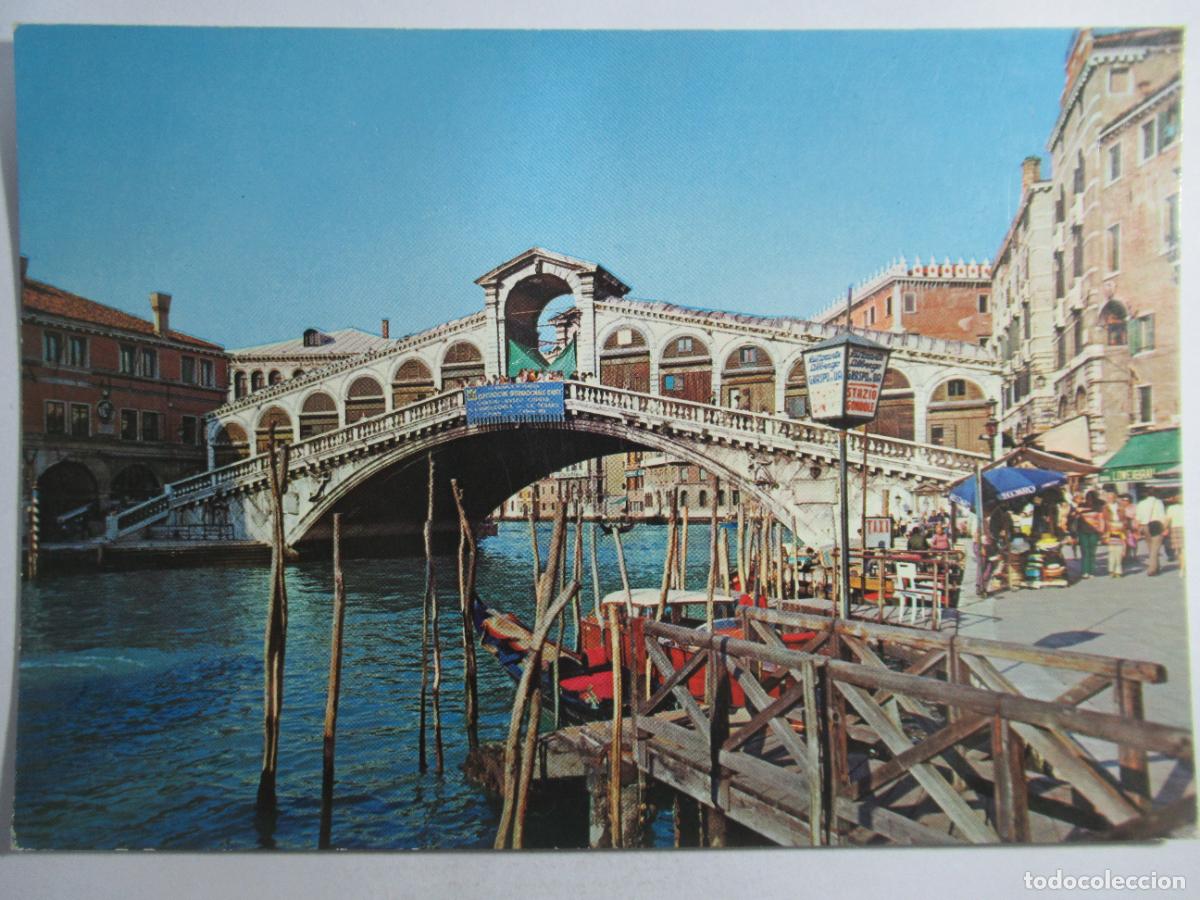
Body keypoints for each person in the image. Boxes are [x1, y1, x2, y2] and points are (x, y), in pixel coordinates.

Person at [1136, 489, 1168, 576]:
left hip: (1145, 526)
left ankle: (1156, 566)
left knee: (1150, 547)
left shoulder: (1141, 503)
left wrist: (1138, 529)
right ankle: (1152, 569)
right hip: (1156, 525)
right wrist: (1165, 528)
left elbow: (1138, 517)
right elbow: (1162, 515)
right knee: (1155, 548)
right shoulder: (1158, 502)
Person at [1074, 490, 1104, 579]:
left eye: (1091, 498)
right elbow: (1076, 515)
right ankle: (1085, 571)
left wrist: (1101, 531)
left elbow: (1101, 519)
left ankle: (1091, 571)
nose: (1089, 500)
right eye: (1088, 498)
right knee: (1085, 551)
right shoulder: (1081, 506)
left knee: (1092, 552)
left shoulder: (1098, 507)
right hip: (1082, 531)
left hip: (1094, 531)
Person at [1103, 488, 1126, 578]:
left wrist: (1123, 525)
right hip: (1110, 528)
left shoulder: (1120, 507)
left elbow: (1124, 518)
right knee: (1111, 552)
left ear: (1115, 498)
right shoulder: (1105, 507)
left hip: (1119, 527)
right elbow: (1104, 520)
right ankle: (1111, 570)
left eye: (1112, 497)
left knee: (1119, 553)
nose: (1110, 499)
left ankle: (1118, 571)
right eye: (1108, 498)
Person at [1166, 494, 1184, 578]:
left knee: (1180, 551)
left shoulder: (1171, 508)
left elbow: (1168, 519)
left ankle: (1182, 568)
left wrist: (1164, 528)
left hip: (1176, 528)